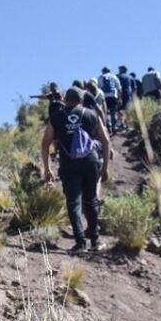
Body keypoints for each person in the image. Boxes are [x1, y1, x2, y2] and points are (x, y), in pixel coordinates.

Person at [42, 88, 111, 252]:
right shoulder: (91, 114)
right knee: (91, 200)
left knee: (73, 202)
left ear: (65, 99)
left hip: (69, 164)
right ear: (81, 99)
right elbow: (106, 141)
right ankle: (95, 241)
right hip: (90, 161)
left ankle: (80, 243)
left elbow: (45, 143)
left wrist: (47, 169)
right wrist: (105, 167)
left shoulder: (56, 117)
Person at [98, 67, 122, 133]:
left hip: (104, 97)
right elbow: (119, 88)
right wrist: (119, 98)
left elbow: (98, 88)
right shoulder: (114, 77)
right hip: (113, 96)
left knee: (105, 112)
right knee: (113, 112)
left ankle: (108, 127)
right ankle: (114, 127)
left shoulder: (100, 77)